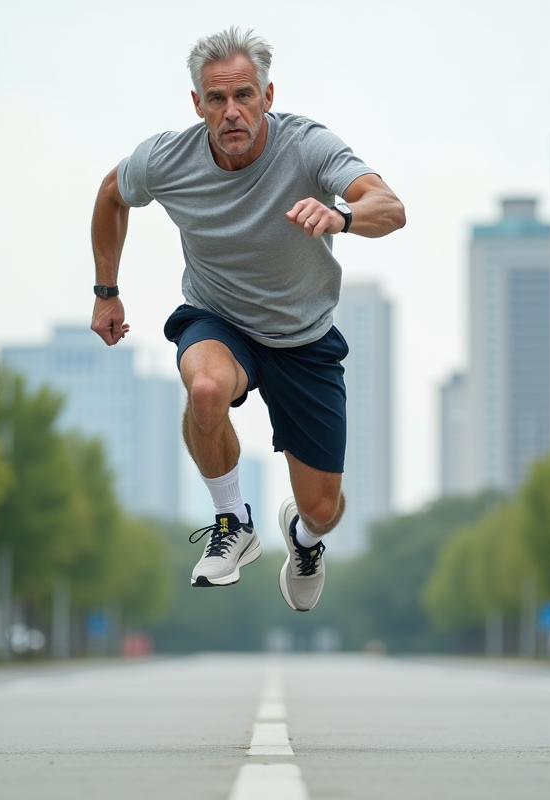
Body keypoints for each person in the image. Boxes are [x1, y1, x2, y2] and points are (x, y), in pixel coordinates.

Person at [89, 27, 405, 612]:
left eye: (244, 97)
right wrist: (107, 290)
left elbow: (389, 207)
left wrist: (340, 215)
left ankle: (304, 542)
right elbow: (111, 194)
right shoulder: (167, 158)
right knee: (204, 388)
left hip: (304, 338)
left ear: (267, 95)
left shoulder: (308, 146)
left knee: (322, 509)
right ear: (197, 104)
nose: (231, 112)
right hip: (218, 319)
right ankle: (232, 521)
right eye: (216, 99)